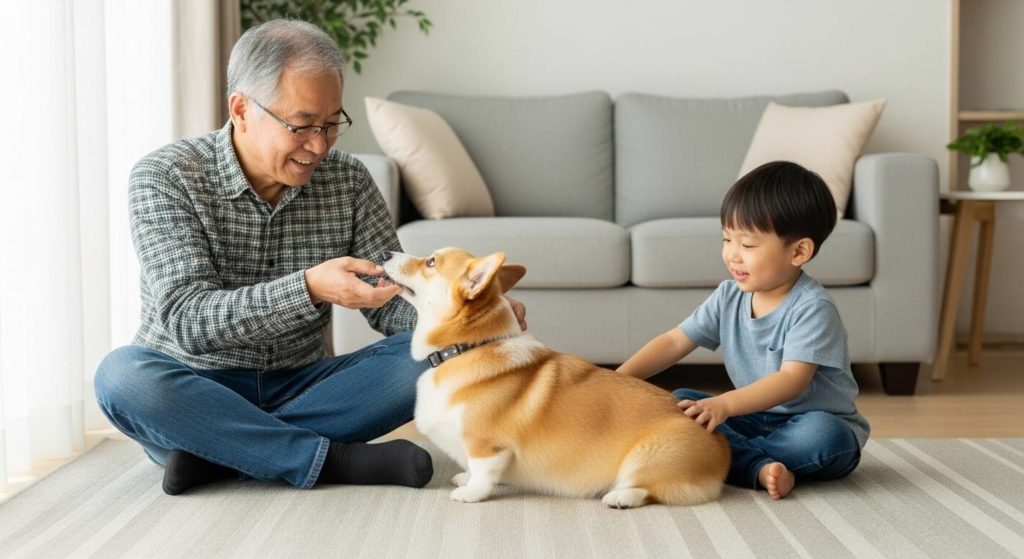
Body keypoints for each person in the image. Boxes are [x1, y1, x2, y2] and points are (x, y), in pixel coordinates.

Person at [93, 19, 525, 496]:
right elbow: (187, 321)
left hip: (306, 386)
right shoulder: (166, 177)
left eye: (331, 124)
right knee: (122, 378)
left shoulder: (350, 181)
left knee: (440, 352)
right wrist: (308, 288)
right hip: (193, 387)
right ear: (241, 109)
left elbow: (396, 302)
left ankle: (221, 452)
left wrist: (469, 320)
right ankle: (331, 459)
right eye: (301, 126)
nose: (318, 146)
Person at [616, 160, 869, 499]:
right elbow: (675, 341)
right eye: (726, 239)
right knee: (680, 402)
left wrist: (724, 406)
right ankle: (761, 467)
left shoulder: (812, 307)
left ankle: (733, 459)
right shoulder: (728, 296)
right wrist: (619, 380)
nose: (732, 255)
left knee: (824, 436)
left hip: (812, 422)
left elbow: (790, 381)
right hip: (751, 416)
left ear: (799, 251)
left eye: (747, 245)